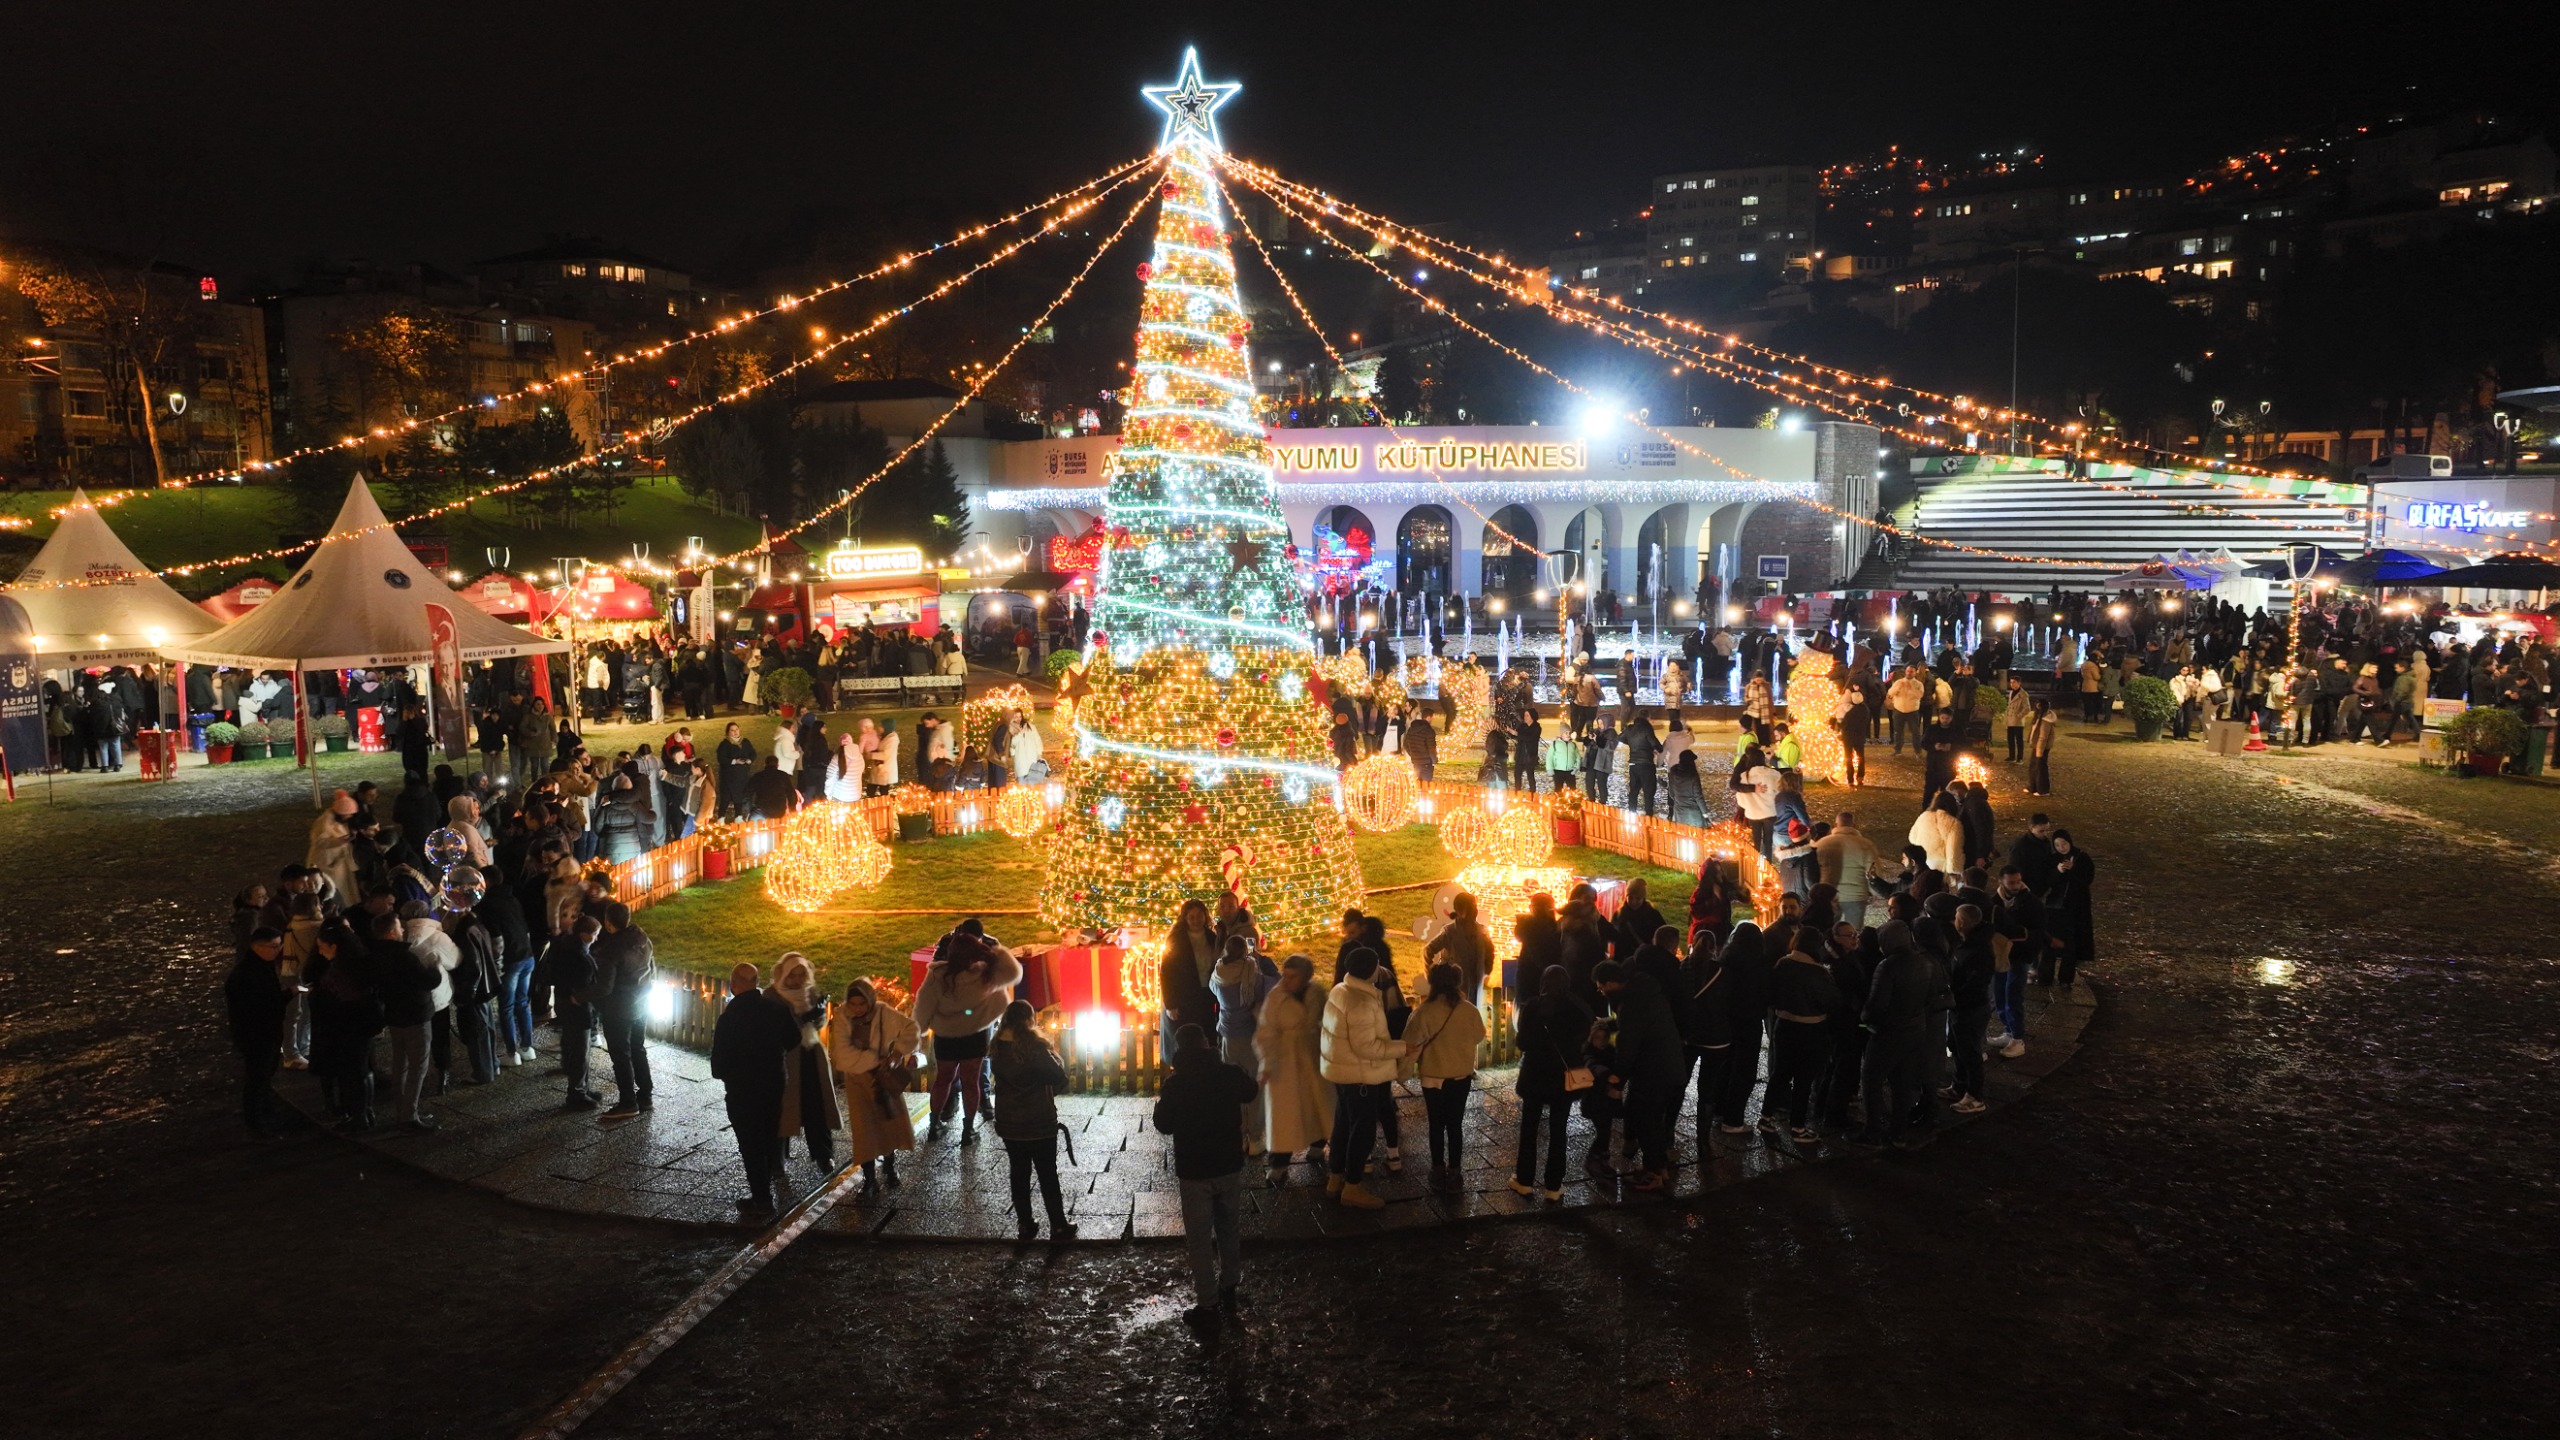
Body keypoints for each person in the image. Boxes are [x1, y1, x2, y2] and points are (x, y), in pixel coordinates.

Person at [1154, 1023, 1260, 1321]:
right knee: (1229, 1229)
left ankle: (1208, 1303)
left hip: (1194, 1171)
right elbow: (1251, 1091)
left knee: (1199, 1238)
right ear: (1206, 1043)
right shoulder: (1228, 1074)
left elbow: (1163, 1124)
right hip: (1228, 1166)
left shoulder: (1176, 1084)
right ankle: (1230, 1286)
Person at [913, 919, 1022, 1142]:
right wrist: (991, 951)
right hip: (975, 1033)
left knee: (942, 1079)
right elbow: (1013, 972)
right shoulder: (984, 974)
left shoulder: (937, 974)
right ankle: (968, 1129)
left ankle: (935, 1124)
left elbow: (923, 1006)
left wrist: (917, 1034)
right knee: (971, 1082)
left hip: (946, 1035)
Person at [709, 962, 796, 1214]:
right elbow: (793, 1039)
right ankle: (767, 1185)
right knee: (769, 1135)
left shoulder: (730, 1018)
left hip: (742, 1090)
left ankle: (761, 1198)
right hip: (774, 1084)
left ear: (733, 984)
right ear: (756, 983)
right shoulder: (776, 1009)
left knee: (750, 1143)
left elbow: (718, 1066)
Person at [1318, 949, 1401, 1209]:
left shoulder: (1340, 990)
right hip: (1360, 1076)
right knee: (1362, 1131)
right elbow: (1367, 1047)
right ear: (1371, 970)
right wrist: (1402, 1048)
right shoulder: (1362, 1002)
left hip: (1342, 1073)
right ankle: (1352, 1187)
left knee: (1342, 1126)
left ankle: (1335, 1180)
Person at [988, 999, 1076, 1240]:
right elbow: (1059, 1077)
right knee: (1047, 1172)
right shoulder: (1035, 1048)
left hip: (1009, 1123)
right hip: (1039, 1122)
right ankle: (1058, 1224)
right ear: (1029, 1021)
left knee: (1018, 1172)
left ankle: (1025, 1223)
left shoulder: (997, 1048)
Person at [1594, 957, 1682, 1189]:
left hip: (1653, 1071)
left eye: (1601, 986)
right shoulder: (1645, 992)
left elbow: (1628, 1046)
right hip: (1669, 1065)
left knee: (1647, 1121)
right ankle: (1659, 1169)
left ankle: (1653, 1174)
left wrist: (1618, 1079)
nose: (1601, 991)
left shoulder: (1632, 1004)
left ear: (1612, 983)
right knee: (1652, 1119)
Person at [1510, 966, 1593, 1201]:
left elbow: (1523, 1042)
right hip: (1561, 1078)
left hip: (1535, 1075)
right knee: (1559, 1130)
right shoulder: (1577, 1009)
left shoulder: (1533, 1007)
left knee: (1529, 1129)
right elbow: (1584, 1037)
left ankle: (1524, 1181)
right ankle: (1554, 1186)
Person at [831, 977, 919, 1197]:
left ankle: (890, 1166)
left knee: (888, 1124)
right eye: (853, 1004)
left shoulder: (882, 1013)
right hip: (858, 1081)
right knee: (864, 1130)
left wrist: (897, 1053)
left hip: (882, 1079)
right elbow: (843, 1052)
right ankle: (869, 1179)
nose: (858, 1009)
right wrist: (874, 1059)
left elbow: (911, 1028)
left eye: (862, 1003)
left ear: (870, 1001)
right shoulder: (842, 1016)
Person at [1406, 961, 1488, 1180]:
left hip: (1432, 1076)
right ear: (1457, 982)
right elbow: (1479, 1036)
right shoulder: (1468, 1010)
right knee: (1454, 1123)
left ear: (1432, 983)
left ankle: (1437, 1167)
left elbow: (1409, 1041)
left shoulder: (1423, 1011)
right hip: (1460, 1076)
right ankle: (1455, 1170)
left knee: (1435, 1123)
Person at [1767, 930, 1845, 1145]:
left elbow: (1772, 993)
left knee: (1780, 1073)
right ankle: (1798, 1126)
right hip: (1810, 1028)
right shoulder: (1818, 972)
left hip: (1784, 1025)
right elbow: (1833, 1001)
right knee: (1804, 1078)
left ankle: (1766, 1117)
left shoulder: (1782, 963)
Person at [1254, 954, 1332, 1167]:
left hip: (1312, 1055)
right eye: (1285, 976)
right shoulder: (1276, 998)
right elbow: (1266, 1032)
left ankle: (1318, 1144)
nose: (1287, 981)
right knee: (1285, 1117)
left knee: (1317, 1106)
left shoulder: (1316, 992)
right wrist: (1268, 1063)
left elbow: (1326, 1019)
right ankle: (1278, 1162)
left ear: (1305, 977)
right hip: (1285, 1061)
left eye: (1293, 977)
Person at [768, 953, 840, 1174]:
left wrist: (817, 1015)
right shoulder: (772, 996)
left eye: (801, 974)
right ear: (783, 974)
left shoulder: (810, 992)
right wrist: (802, 1018)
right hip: (785, 1057)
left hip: (810, 1054)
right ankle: (777, 1159)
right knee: (782, 1109)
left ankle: (823, 1155)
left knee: (816, 1105)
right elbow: (776, 1026)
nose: (797, 980)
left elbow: (818, 1023)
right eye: (793, 975)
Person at [1209, 935, 1277, 1155]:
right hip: (1250, 1035)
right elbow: (1270, 987)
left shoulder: (1218, 972)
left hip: (1228, 1036)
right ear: (1244, 952)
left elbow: (1212, 990)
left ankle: (1237, 1134)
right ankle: (1255, 1137)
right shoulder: (1251, 973)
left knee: (1232, 1086)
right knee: (1254, 1086)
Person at [589, 901, 656, 1120]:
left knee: (621, 1055)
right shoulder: (642, 938)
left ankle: (628, 1102)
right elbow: (651, 968)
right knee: (637, 1048)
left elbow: (605, 987)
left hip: (619, 1008)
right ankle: (645, 1095)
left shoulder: (613, 949)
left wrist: (579, 996)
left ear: (608, 923)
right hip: (641, 1002)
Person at [225, 927, 292, 1137]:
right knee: (257, 1077)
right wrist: (288, 994)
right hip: (256, 1034)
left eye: (279, 945)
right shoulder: (247, 975)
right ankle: (257, 1121)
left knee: (263, 1076)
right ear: (257, 947)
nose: (278, 950)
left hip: (265, 1031)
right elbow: (262, 1005)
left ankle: (264, 1112)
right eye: (274, 946)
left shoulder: (260, 966)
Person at [545, 915, 603, 1108]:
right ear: (583, 934)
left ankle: (583, 1088)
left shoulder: (568, 946)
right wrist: (578, 997)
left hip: (568, 1005)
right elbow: (583, 985)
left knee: (578, 1049)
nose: (596, 938)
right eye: (594, 934)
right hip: (576, 1009)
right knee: (580, 1051)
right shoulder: (578, 957)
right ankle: (576, 1094)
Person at [1944, 903, 1995, 1113]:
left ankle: (1975, 1096)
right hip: (1960, 1006)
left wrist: (1953, 995)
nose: (1954, 921)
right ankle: (1959, 1086)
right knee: (1957, 1047)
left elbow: (1974, 983)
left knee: (1970, 1052)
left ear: (1962, 923)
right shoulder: (1967, 943)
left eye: (1956, 917)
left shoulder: (1979, 949)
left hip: (1970, 1008)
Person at [1159, 899, 1221, 1053]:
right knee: (1188, 1040)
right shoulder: (1176, 939)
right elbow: (1167, 972)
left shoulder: (1212, 938)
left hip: (1207, 996)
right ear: (1185, 918)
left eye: (1199, 916)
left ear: (1205, 917)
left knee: (1208, 1037)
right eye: (1191, 917)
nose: (1196, 920)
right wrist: (1170, 1003)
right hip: (1185, 998)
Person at [2044, 829, 2097, 990]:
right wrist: (2058, 871)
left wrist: (2074, 869)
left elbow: (2087, 879)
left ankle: (2065, 979)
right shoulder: (2052, 859)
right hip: (2055, 907)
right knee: (2050, 943)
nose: (2061, 848)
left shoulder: (2082, 858)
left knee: (2071, 945)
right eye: (2057, 845)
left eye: (2064, 844)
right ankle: (2045, 977)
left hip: (2076, 907)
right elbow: (2047, 881)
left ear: (2070, 842)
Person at [1423, 892, 1492, 1003]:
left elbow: (1489, 953)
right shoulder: (1450, 933)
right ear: (1461, 910)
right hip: (1452, 994)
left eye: (1475, 906)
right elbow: (1428, 951)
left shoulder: (1482, 931)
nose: (1474, 910)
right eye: (1471, 907)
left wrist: (1486, 971)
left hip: (1474, 991)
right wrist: (1433, 978)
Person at [1814, 812, 1878, 928]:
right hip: (1855, 895)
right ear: (1854, 825)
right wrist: (1872, 892)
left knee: (1828, 930)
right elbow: (1874, 873)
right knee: (1853, 932)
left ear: (1835, 825)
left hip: (1828, 895)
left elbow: (1814, 870)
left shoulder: (1822, 844)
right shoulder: (1866, 845)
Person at [714, 722, 756, 820]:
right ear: (728, 733)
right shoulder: (724, 744)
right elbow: (721, 759)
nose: (735, 732)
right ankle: (721, 817)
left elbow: (753, 753)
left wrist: (749, 760)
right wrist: (734, 761)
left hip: (742, 775)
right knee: (726, 797)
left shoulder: (745, 742)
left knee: (739, 796)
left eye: (736, 729)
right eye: (732, 730)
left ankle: (738, 816)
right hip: (729, 776)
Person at [2025, 698, 2058, 796]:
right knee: (2033, 767)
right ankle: (2033, 787)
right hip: (2037, 746)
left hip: (2042, 748)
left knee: (2040, 768)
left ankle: (2043, 790)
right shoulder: (2040, 716)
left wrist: (2039, 752)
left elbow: (2043, 738)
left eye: (2038, 706)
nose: (2036, 708)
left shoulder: (2046, 720)